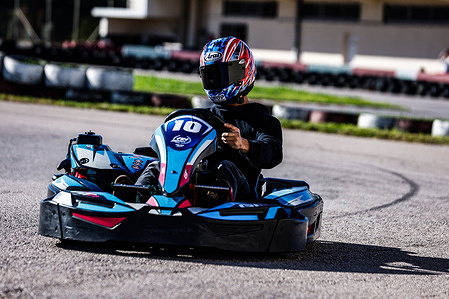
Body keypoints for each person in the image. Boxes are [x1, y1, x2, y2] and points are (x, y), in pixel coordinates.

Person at [128, 36, 283, 205]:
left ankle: (215, 202)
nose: (215, 81)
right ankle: (133, 199)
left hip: (239, 198)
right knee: (157, 166)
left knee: (225, 167)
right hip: (192, 184)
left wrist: (244, 144)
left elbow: (272, 153)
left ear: (242, 72)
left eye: (222, 74)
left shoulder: (262, 121)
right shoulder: (199, 118)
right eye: (211, 75)